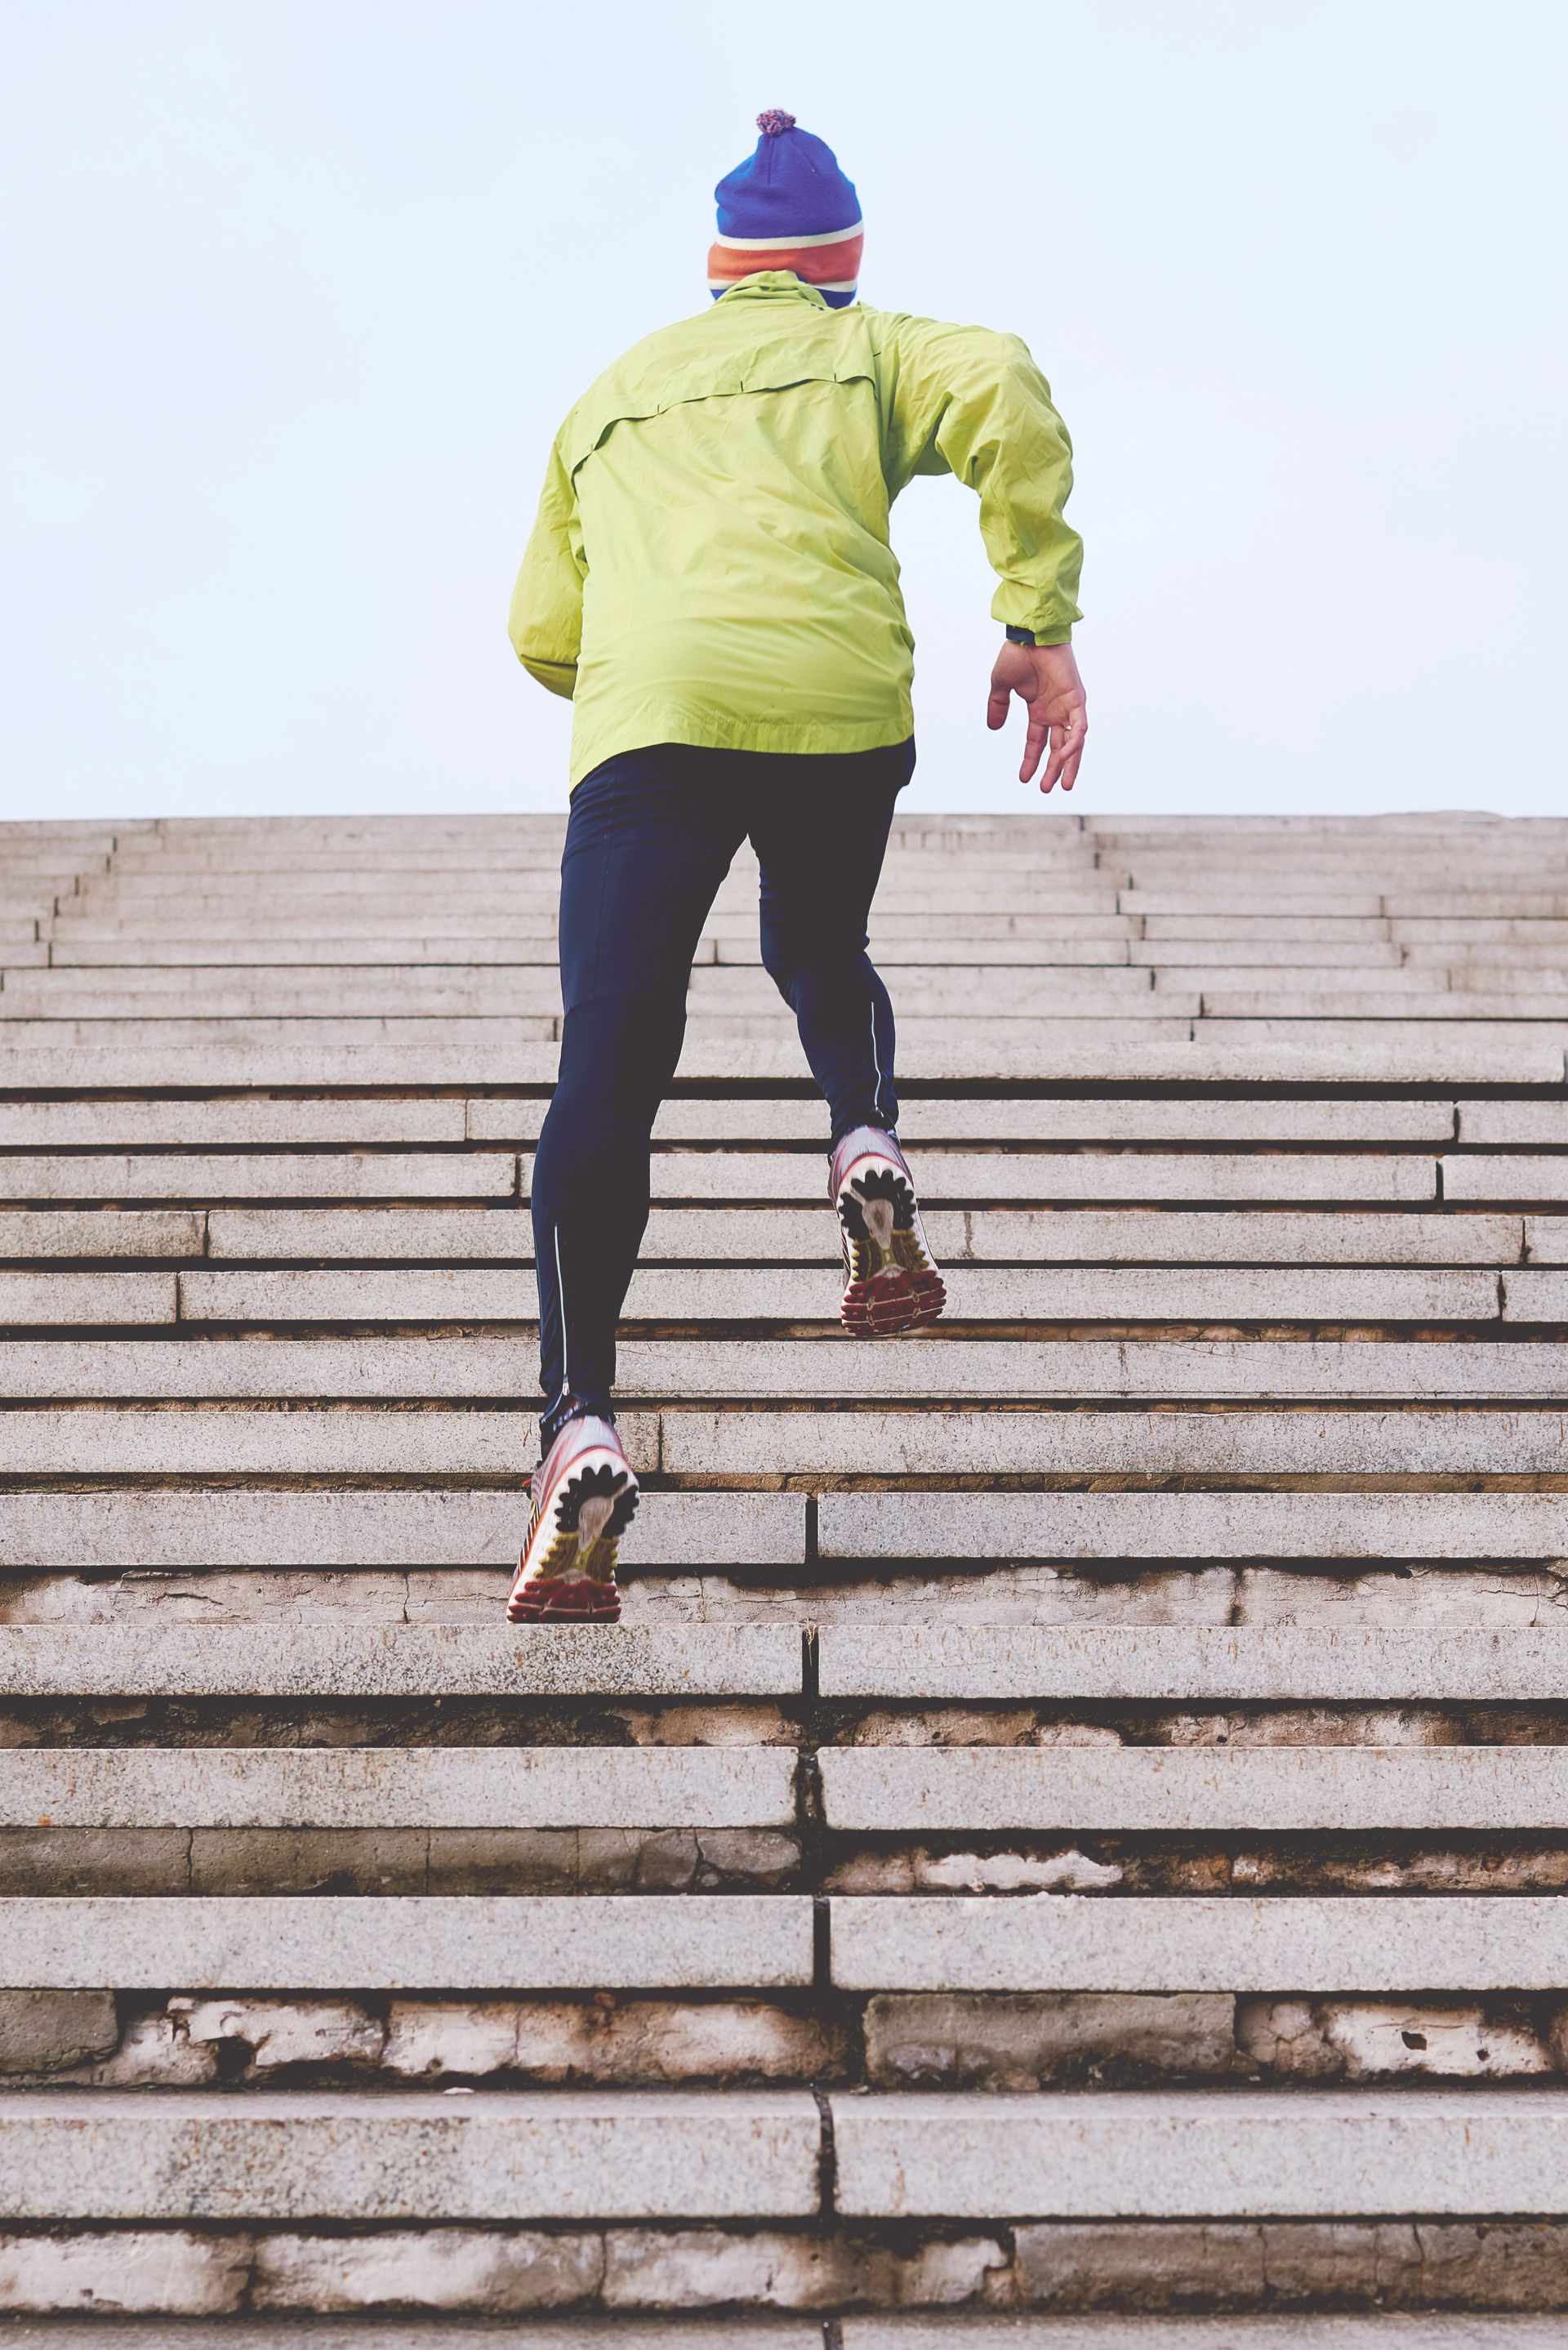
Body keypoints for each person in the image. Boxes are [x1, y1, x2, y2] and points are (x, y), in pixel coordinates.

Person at [506, 110, 1085, 1624]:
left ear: (718, 268)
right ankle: (863, 1138)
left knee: (614, 1056)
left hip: (652, 726)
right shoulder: (874, 346)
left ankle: (578, 1416)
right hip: (836, 705)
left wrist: (655, 654)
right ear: (839, 265)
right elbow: (1006, 385)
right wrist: (1035, 614)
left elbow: (539, 629)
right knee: (818, 946)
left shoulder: (610, 392)